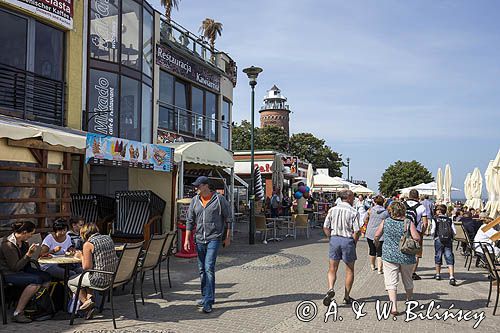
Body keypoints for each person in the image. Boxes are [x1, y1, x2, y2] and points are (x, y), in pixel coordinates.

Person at [184, 176, 231, 314]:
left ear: (206, 186)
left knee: (209, 267)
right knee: (201, 269)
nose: (196, 188)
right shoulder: (194, 200)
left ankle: (208, 301)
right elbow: (189, 220)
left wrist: (227, 237)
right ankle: (205, 296)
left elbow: (228, 218)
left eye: (198, 185)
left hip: (214, 238)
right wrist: (187, 239)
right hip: (199, 239)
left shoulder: (219, 199)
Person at [374, 201, 420, 316]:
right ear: (403, 210)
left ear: (391, 210)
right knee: (408, 280)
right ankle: (409, 301)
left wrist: (377, 243)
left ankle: (394, 306)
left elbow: (376, 235)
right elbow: (417, 238)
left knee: (391, 281)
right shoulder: (408, 222)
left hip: (389, 255)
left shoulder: (386, 222)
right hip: (406, 255)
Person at [0, 221, 51, 323]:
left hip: (23, 269)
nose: (31, 236)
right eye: (30, 234)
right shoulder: (8, 244)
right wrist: (28, 254)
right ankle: (18, 312)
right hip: (8, 273)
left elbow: (25, 263)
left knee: (46, 276)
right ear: (24, 232)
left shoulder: (23, 242)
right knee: (36, 281)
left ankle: (34, 305)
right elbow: (15, 267)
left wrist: (31, 253)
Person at [68, 223, 118, 320]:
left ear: (84, 234)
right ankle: (89, 302)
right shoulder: (108, 238)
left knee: (71, 281)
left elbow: (87, 267)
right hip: (114, 276)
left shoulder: (88, 244)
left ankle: (86, 303)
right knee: (86, 279)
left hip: (100, 279)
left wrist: (81, 256)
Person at [322, 190, 361, 306]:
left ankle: (330, 288)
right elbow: (357, 230)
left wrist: (330, 237)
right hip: (347, 240)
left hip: (334, 239)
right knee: (349, 270)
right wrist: (354, 241)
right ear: (348, 198)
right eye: (353, 197)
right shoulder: (353, 212)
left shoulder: (332, 210)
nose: (354, 199)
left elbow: (325, 226)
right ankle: (346, 296)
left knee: (332, 268)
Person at [430, 204, 457, 285]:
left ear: (438, 211)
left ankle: (438, 274)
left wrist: (434, 237)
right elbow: (454, 232)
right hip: (448, 240)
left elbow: (432, 230)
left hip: (438, 239)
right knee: (449, 256)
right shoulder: (449, 219)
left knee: (438, 255)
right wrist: (451, 237)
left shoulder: (435, 219)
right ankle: (451, 276)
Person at [405, 189, 428, 280]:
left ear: (409, 195)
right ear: (417, 197)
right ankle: (413, 273)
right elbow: (425, 223)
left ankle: (404, 271)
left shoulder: (403, 205)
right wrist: (422, 232)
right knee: (416, 253)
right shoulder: (421, 207)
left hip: (404, 230)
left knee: (403, 248)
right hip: (416, 231)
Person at [364, 195, 389, 274]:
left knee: (372, 250)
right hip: (381, 233)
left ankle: (372, 265)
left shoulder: (370, 210)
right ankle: (380, 269)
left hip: (370, 232)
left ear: (374, 202)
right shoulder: (386, 212)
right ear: (383, 202)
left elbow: (364, 220)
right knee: (380, 251)